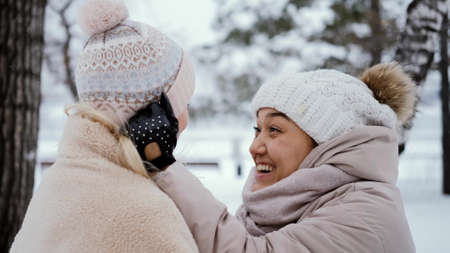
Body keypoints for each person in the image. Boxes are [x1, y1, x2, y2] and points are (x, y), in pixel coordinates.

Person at [150, 62, 417, 252]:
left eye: (274, 130)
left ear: (328, 142)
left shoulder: (366, 215)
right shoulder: (278, 207)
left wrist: (163, 164)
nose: (255, 147)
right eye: (258, 130)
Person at [10, 0, 198, 252]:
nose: (187, 118)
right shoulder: (146, 217)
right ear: (157, 115)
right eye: (184, 103)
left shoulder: (54, 187)